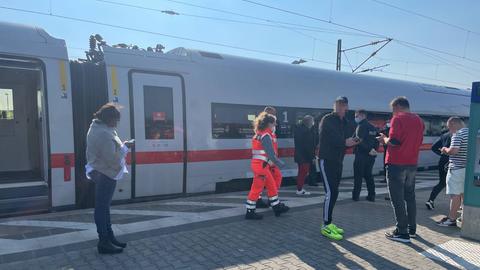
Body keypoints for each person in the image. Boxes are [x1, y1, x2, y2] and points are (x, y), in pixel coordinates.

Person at [85, 103, 134, 254]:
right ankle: (104, 242)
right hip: (104, 173)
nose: (117, 123)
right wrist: (126, 147)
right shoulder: (104, 134)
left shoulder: (100, 127)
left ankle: (109, 237)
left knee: (104, 207)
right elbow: (113, 160)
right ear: (108, 119)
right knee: (102, 208)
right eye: (115, 120)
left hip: (99, 171)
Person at [378, 97, 424, 243]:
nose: (393, 112)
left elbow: (394, 142)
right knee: (410, 196)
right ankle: (412, 228)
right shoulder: (419, 120)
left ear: (398, 106)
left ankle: (402, 232)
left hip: (396, 164)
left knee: (397, 198)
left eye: (393, 109)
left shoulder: (397, 119)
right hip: (412, 163)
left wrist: (384, 139)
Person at [318, 96, 359, 240]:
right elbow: (334, 139)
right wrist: (345, 142)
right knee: (330, 192)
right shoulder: (327, 119)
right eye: (338, 105)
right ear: (334, 106)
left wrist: (356, 140)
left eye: (342, 105)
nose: (340, 108)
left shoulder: (346, 121)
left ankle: (329, 222)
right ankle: (325, 225)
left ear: (346, 107)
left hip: (337, 161)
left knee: (334, 192)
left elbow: (352, 135)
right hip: (327, 160)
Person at [245, 112, 290, 219]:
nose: (275, 126)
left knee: (271, 186)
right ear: (269, 124)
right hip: (261, 166)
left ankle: (276, 206)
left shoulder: (259, 133)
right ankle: (250, 212)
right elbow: (271, 154)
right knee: (257, 188)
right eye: (274, 124)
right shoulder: (266, 136)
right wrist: (280, 164)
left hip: (260, 165)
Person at [437, 117, 468, 227]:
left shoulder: (458, 134)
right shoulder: (470, 133)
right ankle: (465, 218)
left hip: (456, 168)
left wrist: (445, 149)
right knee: (464, 194)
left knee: (455, 195)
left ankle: (451, 219)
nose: (450, 130)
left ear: (454, 124)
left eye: (449, 127)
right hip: (467, 169)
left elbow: (454, 150)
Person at [352, 110, 379, 202]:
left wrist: (368, 150)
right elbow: (377, 141)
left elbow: (358, 140)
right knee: (368, 175)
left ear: (362, 116)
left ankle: (356, 196)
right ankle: (372, 195)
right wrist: (374, 150)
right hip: (371, 156)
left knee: (358, 176)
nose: (355, 118)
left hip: (361, 155)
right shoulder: (373, 127)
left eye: (356, 116)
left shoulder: (361, 126)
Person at [425, 131, 451, 210]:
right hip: (454, 161)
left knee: (442, 182)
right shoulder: (459, 135)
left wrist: (442, 154)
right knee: (458, 183)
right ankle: (459, 204)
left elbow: (433, 147)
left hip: (443, 161)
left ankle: (430, 200)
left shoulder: (444, 135)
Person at [294, 115, 315, 195]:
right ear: (309, 122)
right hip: (305, 157)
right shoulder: (307, 132)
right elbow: (308, 147)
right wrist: (312, 157)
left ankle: (299, 188)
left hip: (299, 155)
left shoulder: (299, 129)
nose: (313, 123)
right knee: (303, 173)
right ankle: (299, 190)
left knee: (301, 172)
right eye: (312, 121)